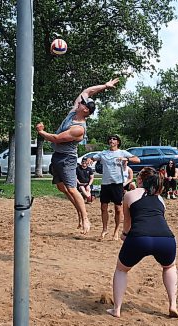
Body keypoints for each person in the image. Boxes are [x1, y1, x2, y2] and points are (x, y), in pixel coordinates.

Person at [36, 78, 119, 235]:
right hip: (57, 156)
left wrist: (41, 132)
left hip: (67, 159)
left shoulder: (78, 129)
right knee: (62, 187)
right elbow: (87, 91)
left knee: (72, 189)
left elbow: (56, 138)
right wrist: (105, 87)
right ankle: (80, 214)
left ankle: (85, 218)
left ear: (86, 110)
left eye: (82, 103)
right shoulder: (74, 111)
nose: (79, 102)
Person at [107, 167, 178, 318]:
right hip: (166, 238)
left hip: (140, 237)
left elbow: (128, 223)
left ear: (140, 180)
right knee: (169, 267)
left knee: (121, 270)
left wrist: (125, 235)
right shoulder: (160, 199)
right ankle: (172, 304)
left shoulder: (130, 195)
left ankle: (117, 309)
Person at [87, 134, 140, 240]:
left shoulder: (122, 152)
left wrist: (125, 159)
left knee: (118, 208)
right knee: (103, 208)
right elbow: (92, 158)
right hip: (106, 183)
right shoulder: (103, 153)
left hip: (117, 183)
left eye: (114, 139)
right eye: (110, 139)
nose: (112, 140)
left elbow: (137, 160)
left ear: (118, 142)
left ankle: (116, 231)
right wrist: (89, 159)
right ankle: (104, 229)